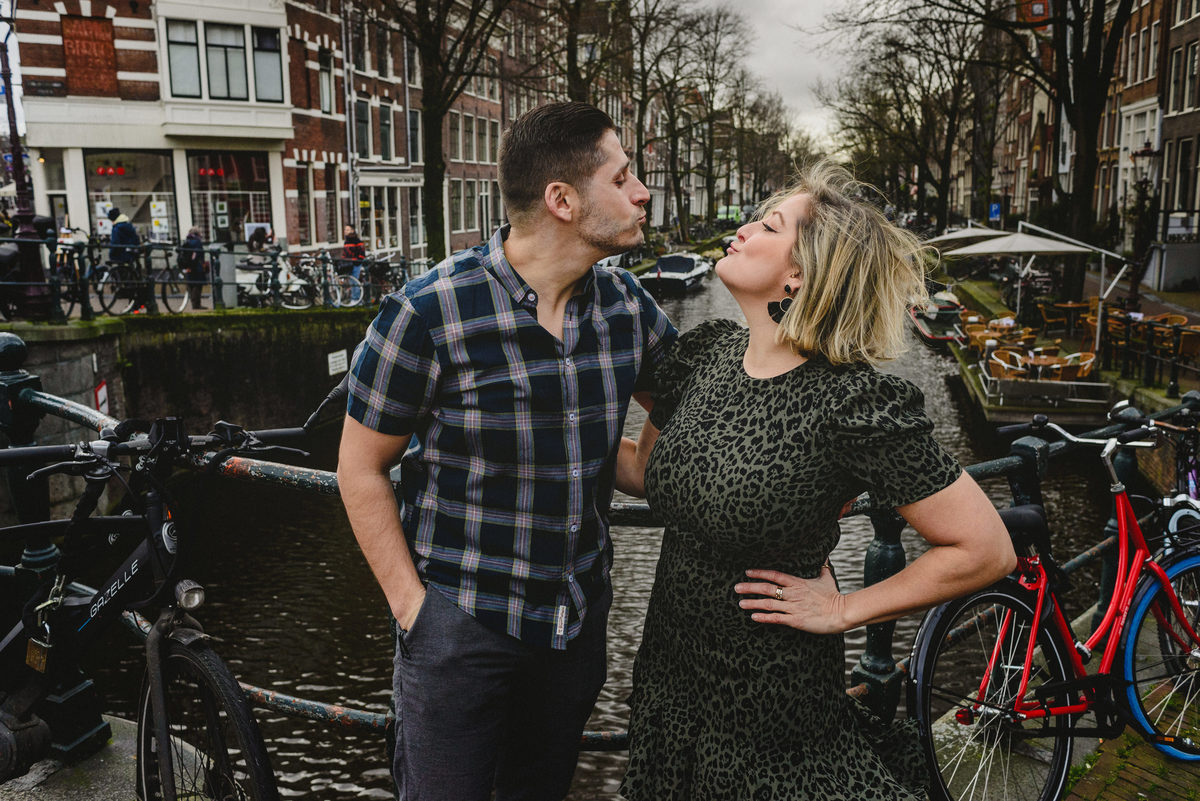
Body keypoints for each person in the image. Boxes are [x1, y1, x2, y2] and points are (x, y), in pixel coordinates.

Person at [619, 161, 1016, 801]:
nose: (745, 228)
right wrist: (542, 428)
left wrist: (843, 610)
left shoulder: (853, 404)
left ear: (801, 274)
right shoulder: (708, 355)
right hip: (669, 668)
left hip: (767, 699)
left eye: (769, 225)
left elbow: (986, 549)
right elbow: (643, 471)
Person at [337, 102, 676, 801]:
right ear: (562, 200)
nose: (642, 191)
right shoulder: (427, 313)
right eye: (622, 177)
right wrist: (417, 613)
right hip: (462, 628)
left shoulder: (627, 307)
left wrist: (627, 460)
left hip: (574, 623)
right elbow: (359, 467)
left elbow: (688, 406)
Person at [178, 226, 207, 309]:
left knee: (190, 284)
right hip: (196, 266)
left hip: (187, 266)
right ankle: (196, 304)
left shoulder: (187, 241)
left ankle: (193, 303)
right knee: (197, 285)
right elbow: (197, 254)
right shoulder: (197, 242)